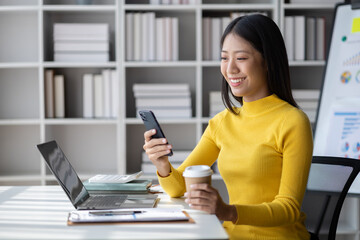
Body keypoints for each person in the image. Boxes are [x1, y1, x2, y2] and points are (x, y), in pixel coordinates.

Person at [143, 14, 313, 240]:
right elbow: (179, 186)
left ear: (268, 61)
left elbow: (288, 208)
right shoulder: (221, 123)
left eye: (241, 58)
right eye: (224, 58)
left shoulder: (293, 121)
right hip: (229, 234)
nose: (230, 68)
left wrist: (227, 211)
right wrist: (162, 164)